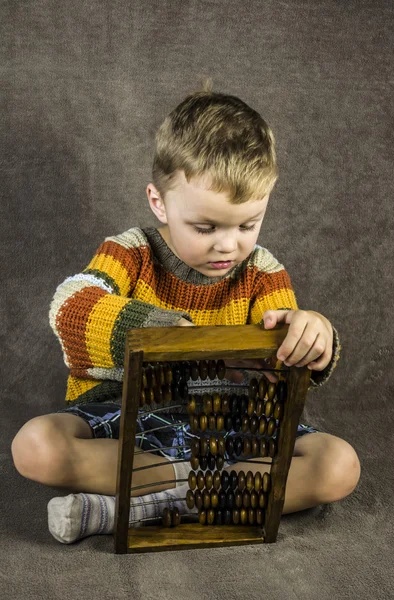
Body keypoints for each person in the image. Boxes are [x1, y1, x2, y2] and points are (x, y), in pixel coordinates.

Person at [11, 82, 360, 544]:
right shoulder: (131, 252)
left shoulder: (262, 272)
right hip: (127, 421)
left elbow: (281, 362)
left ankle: (141, 505)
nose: (228, 244)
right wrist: (166, 332)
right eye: (205, 226)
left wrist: (314, 336)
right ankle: (207, 496)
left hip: (231, 423)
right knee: (34, 446)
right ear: (159, 201)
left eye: (248, 225)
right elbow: (70, 305)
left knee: (339, 465)